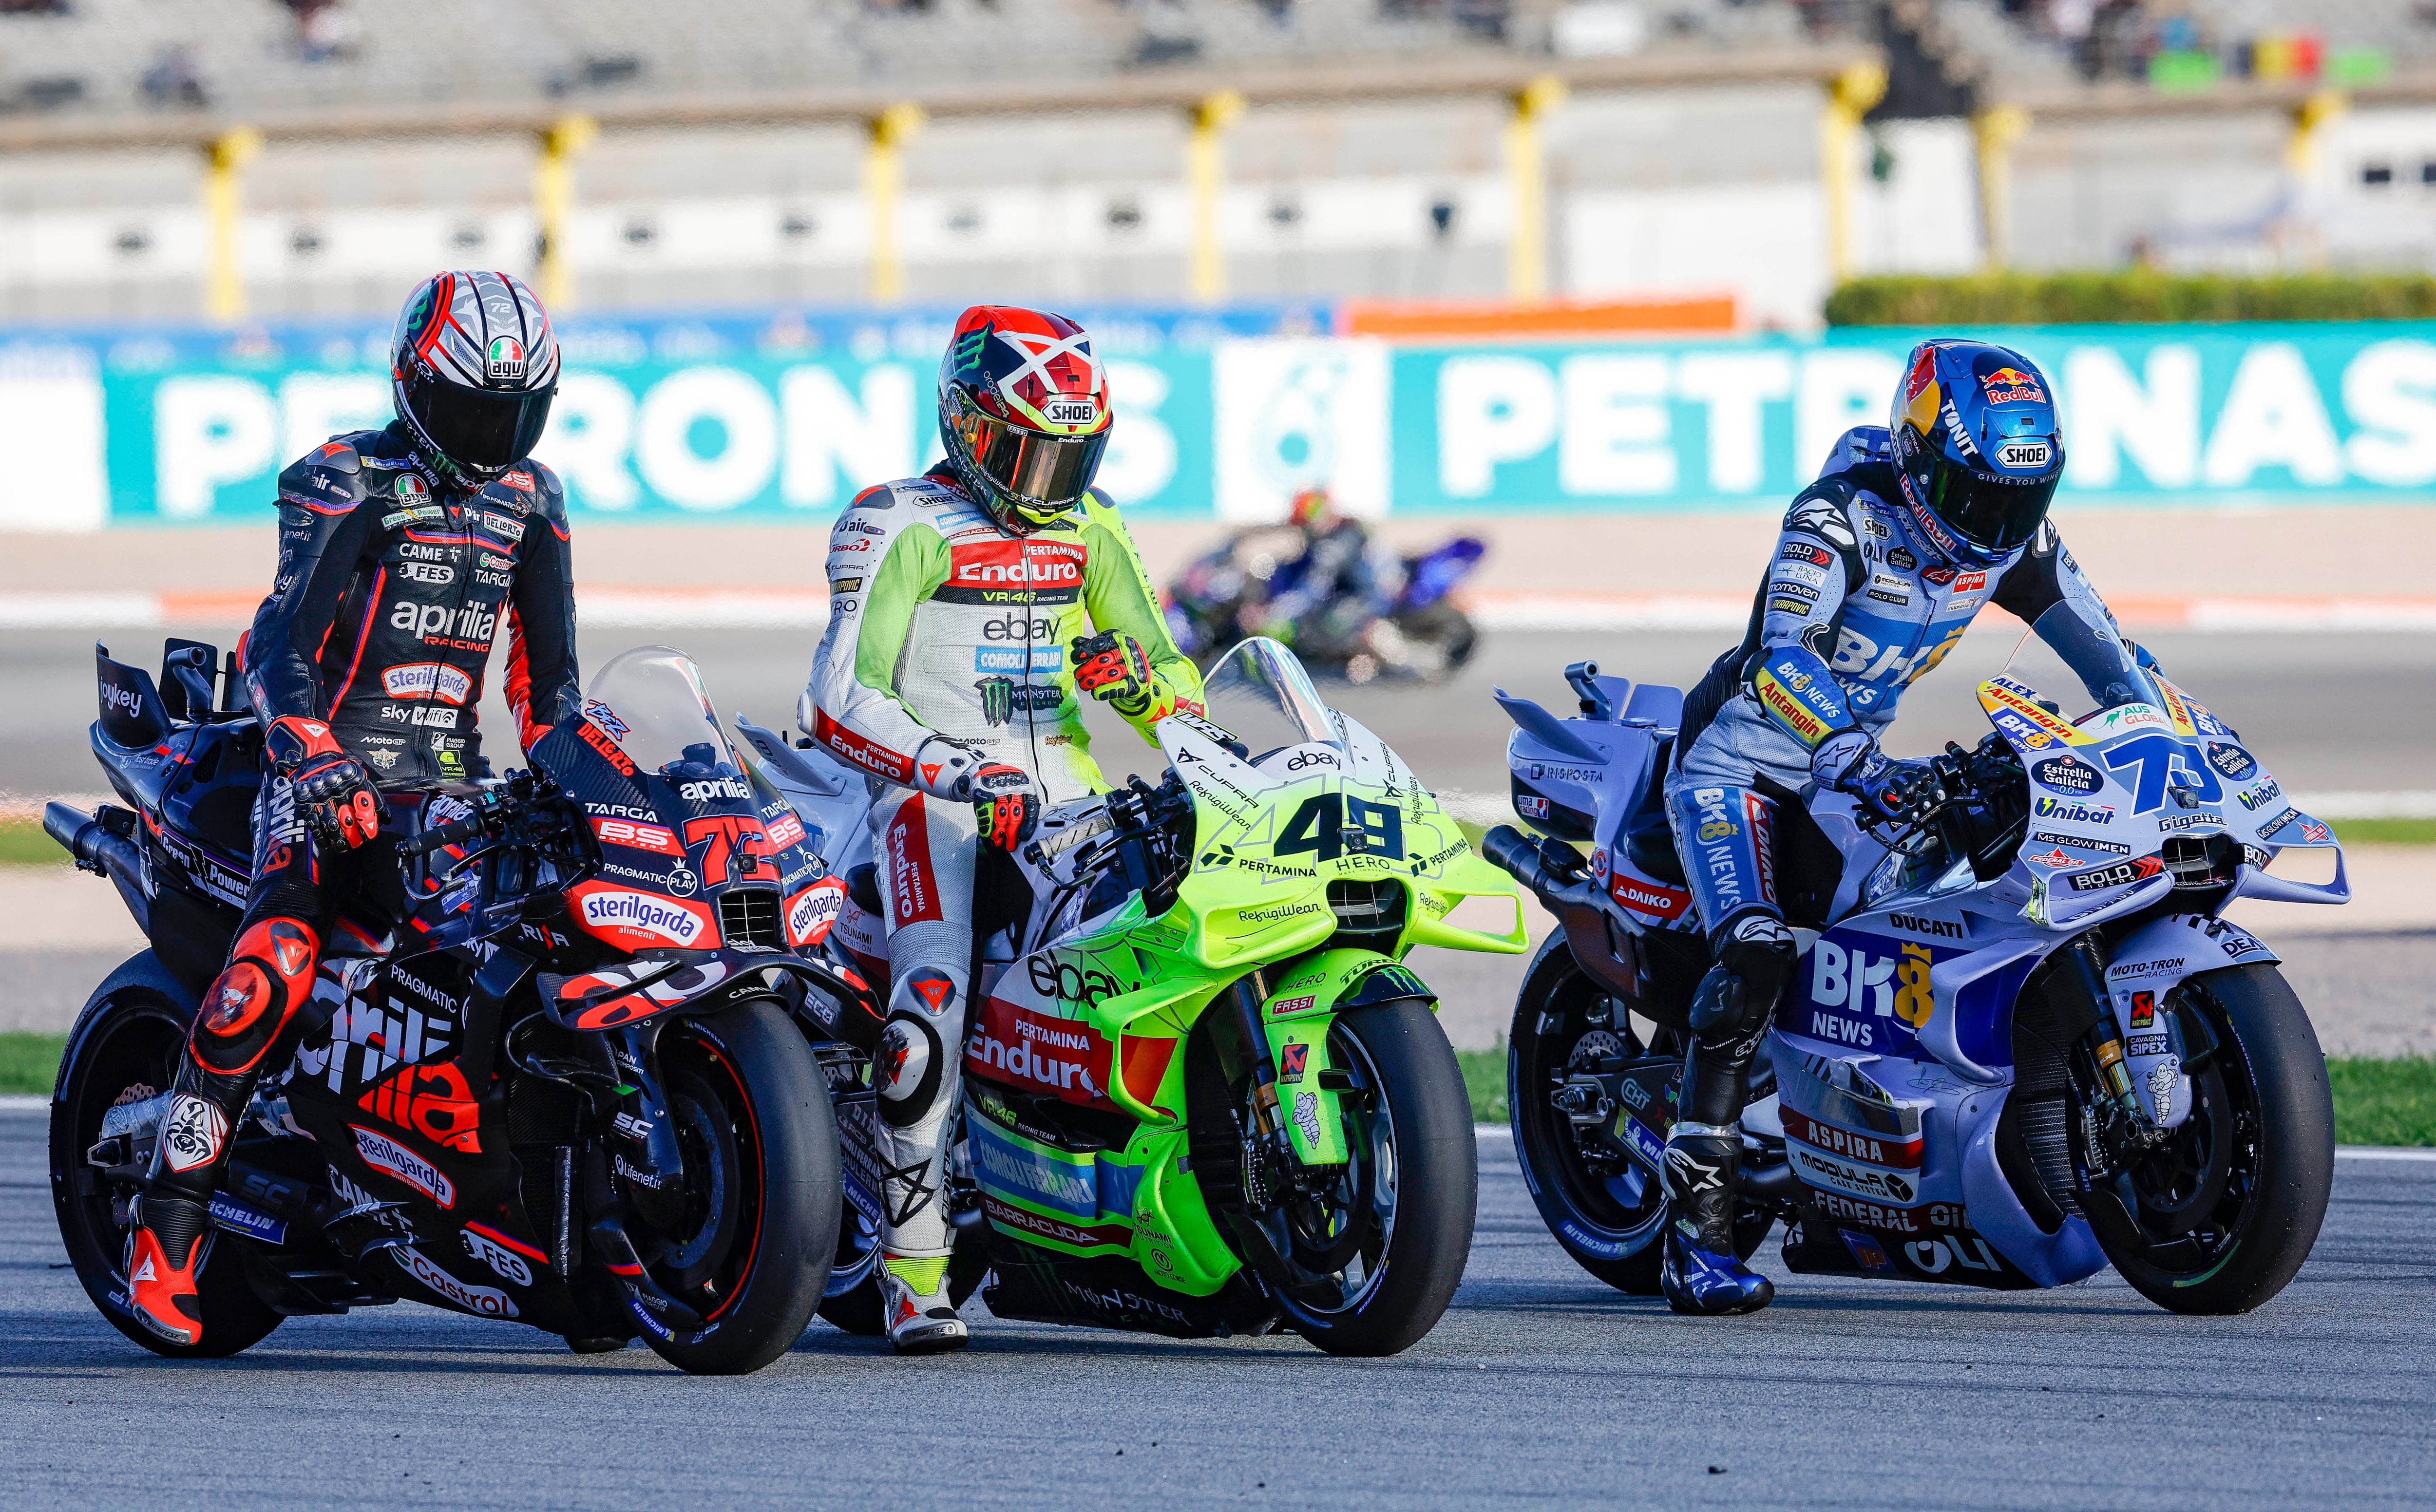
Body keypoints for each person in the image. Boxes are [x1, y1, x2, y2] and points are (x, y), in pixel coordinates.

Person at [123, 271, 577, 1346]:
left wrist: (584, 766)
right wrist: (312, 748)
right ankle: (165, 1226)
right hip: (326, 776)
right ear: (414, 386)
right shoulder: (344, 477)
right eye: (473, 411)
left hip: (455, 785)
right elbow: (277, 641)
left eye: (516, 415)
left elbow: (547, 683)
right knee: (272, 964)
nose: (495, 437)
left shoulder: (535, 499)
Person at [1659, 340, 2141, 1316]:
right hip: (1741, 766)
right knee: (1755, 950)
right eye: (1974, 495)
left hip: (1851, 769)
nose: (1994, 523)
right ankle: (1694, 1239)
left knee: (1968, 890)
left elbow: (2113, 657)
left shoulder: (2011, 538)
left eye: (2019, 499)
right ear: (1920, 457)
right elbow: (1780, 657)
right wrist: (1852, 757)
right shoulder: (1836, 519)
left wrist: (2162, 726)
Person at [804, 305, 1203, 1353]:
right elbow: (839, 696)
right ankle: (913, 1268)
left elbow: (1177, 684)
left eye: (1073, 455)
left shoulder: (1096, 526)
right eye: (1026, 452)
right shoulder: (895, 520)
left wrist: (1145, 689)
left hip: (1070, 799)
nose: (1049, 480)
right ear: (966, 424)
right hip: (927, 798)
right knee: (932, 997)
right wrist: (954, 768)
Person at [1261, 485, 1382, 662]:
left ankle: (1360, 655)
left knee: (1329, 624)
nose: (1305, 531)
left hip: (1366, 606)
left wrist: (1277, 613)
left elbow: (1314, 588)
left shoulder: (1340, 543)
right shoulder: (1328, 540)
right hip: (1347, 600)